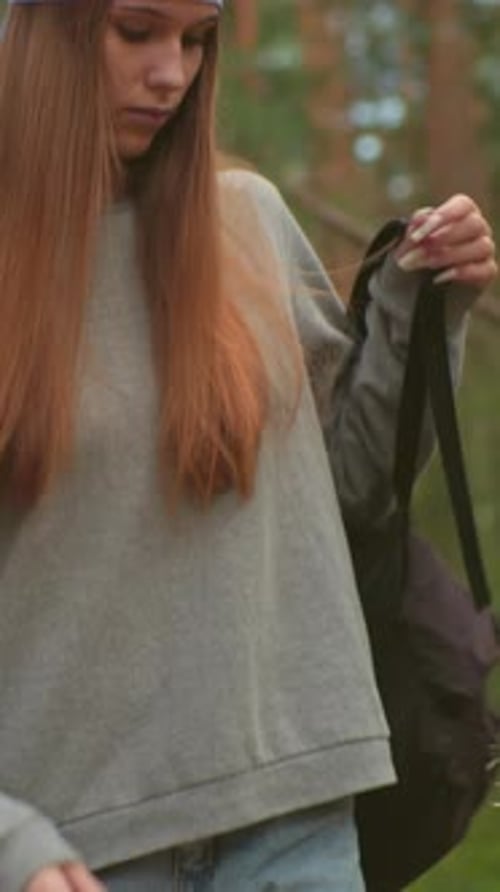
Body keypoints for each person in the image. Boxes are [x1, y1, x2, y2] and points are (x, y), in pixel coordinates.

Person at [0, 1, 496, 891]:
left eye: (196, 39)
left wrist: (423, 308)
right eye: (137, 30)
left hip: (298, 827)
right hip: (77, 856)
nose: (173, 74)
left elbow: (351, 492)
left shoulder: (249, 221)